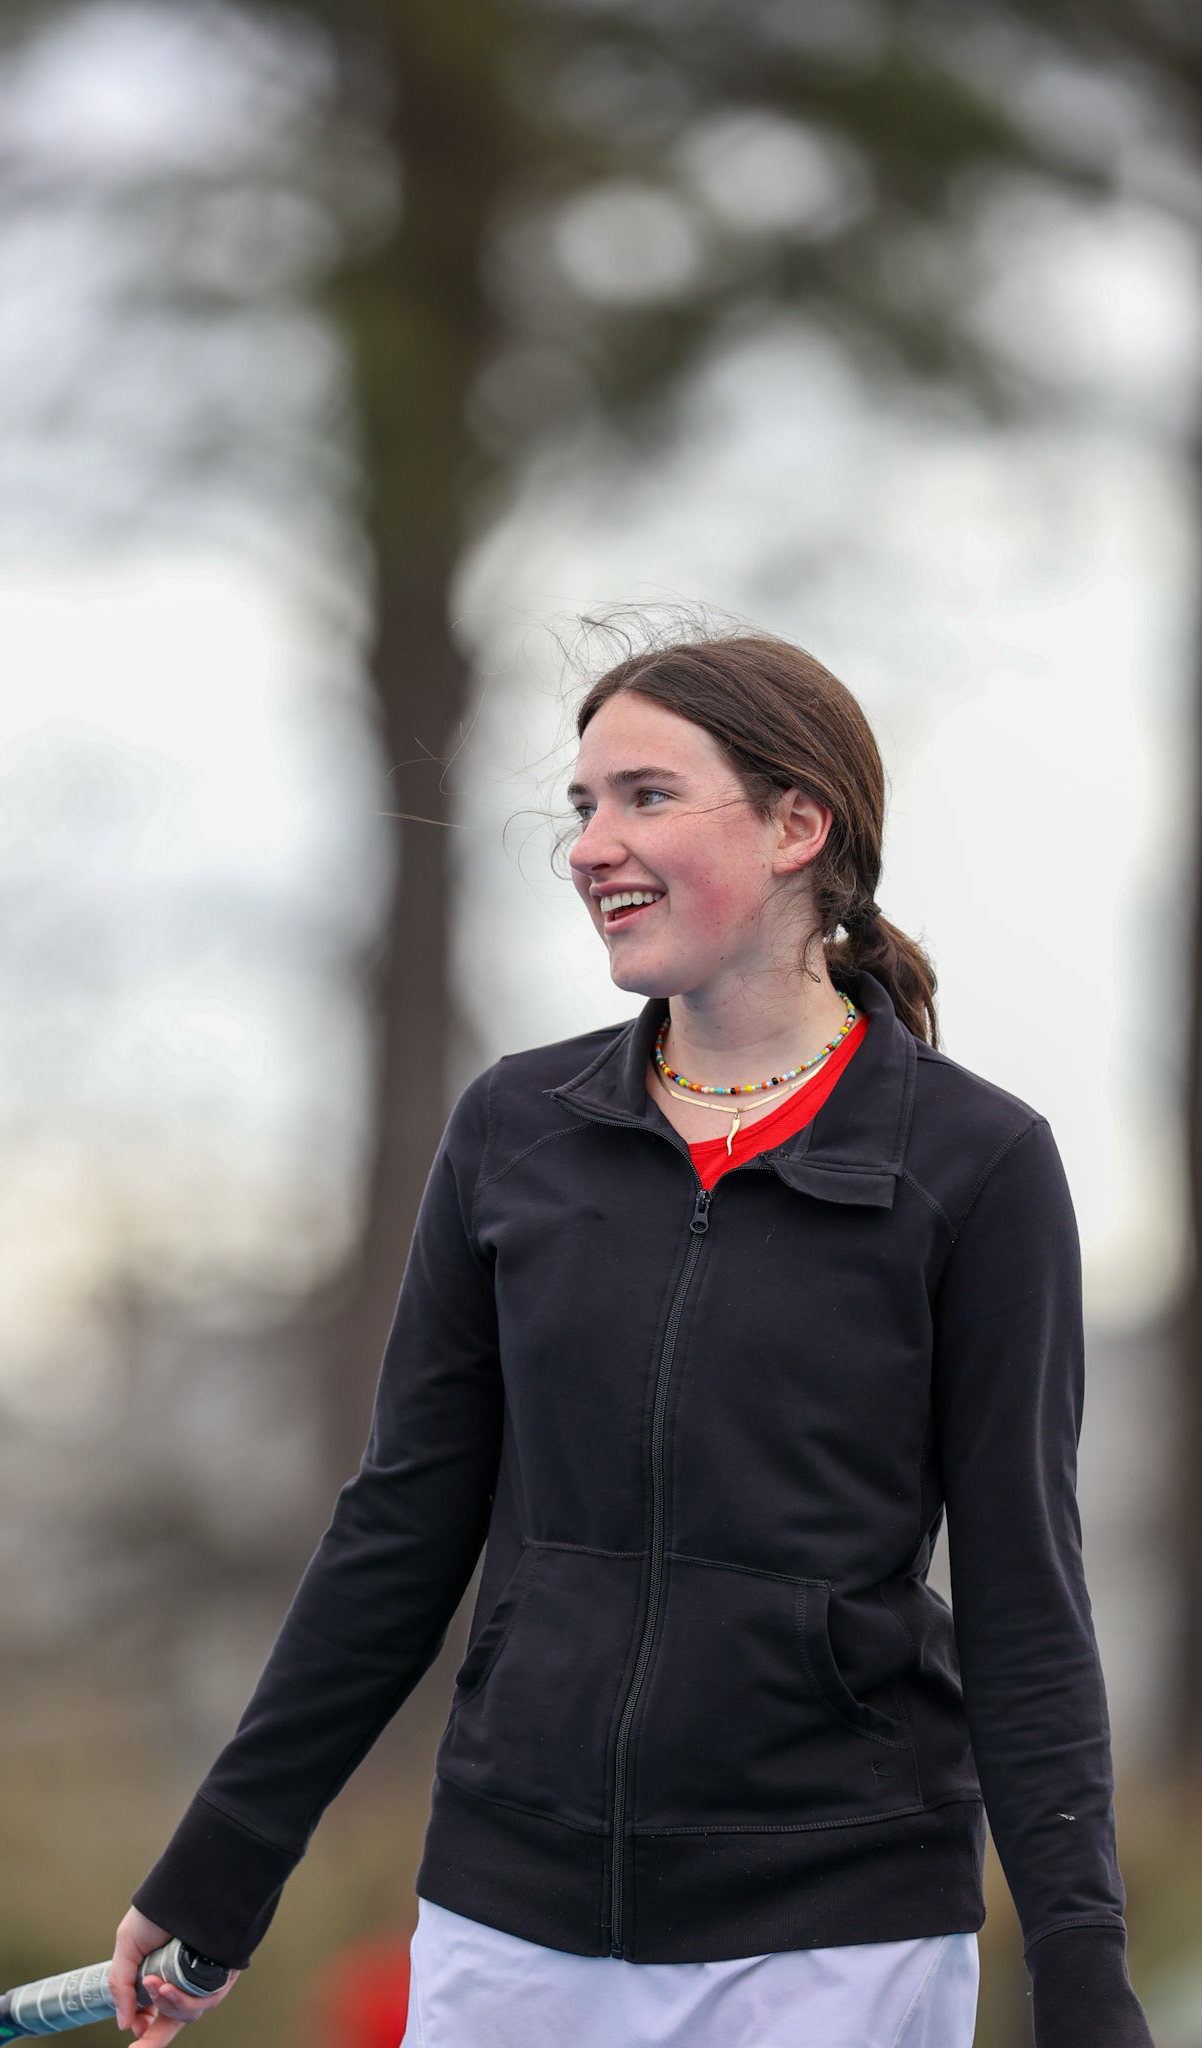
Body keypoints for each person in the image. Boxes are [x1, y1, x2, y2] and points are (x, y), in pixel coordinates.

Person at [109, 633, 1154, 2048]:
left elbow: (1028, 1598)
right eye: (584, 807)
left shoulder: (973, 1167)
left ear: (799, 826)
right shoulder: (511, 1135)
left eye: (645, 797)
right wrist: (224, 1861)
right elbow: (401, 1524)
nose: (591, 845)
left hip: (835, 1942)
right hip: (507, 1925)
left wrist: (1081, 1980)